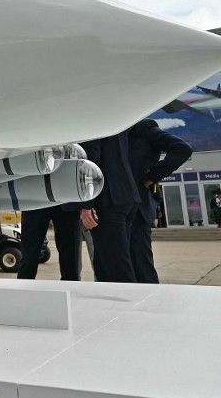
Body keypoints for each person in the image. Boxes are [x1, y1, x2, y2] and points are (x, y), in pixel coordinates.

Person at [127, 119, 192, 283]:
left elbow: (182, 149)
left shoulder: (143, 128)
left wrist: (151, 177)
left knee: (140, 263)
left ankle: (150, 302)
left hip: (138, 209)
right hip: (114, 207)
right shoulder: (114, 133)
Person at [80, 130, 140, 282]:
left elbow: (91, 162)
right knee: (104, 263)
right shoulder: (118, 122)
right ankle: (110, 303)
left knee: (116, 267)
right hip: (125, 195)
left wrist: (87, 204)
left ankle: (128, 303)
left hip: (108, 200)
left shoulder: (95, 121)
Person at [16, 204, 82, 281]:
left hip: (66, 202)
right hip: (35, 201)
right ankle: (24, 289)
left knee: (71, 259)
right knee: (28, 257)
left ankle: (71, 288)